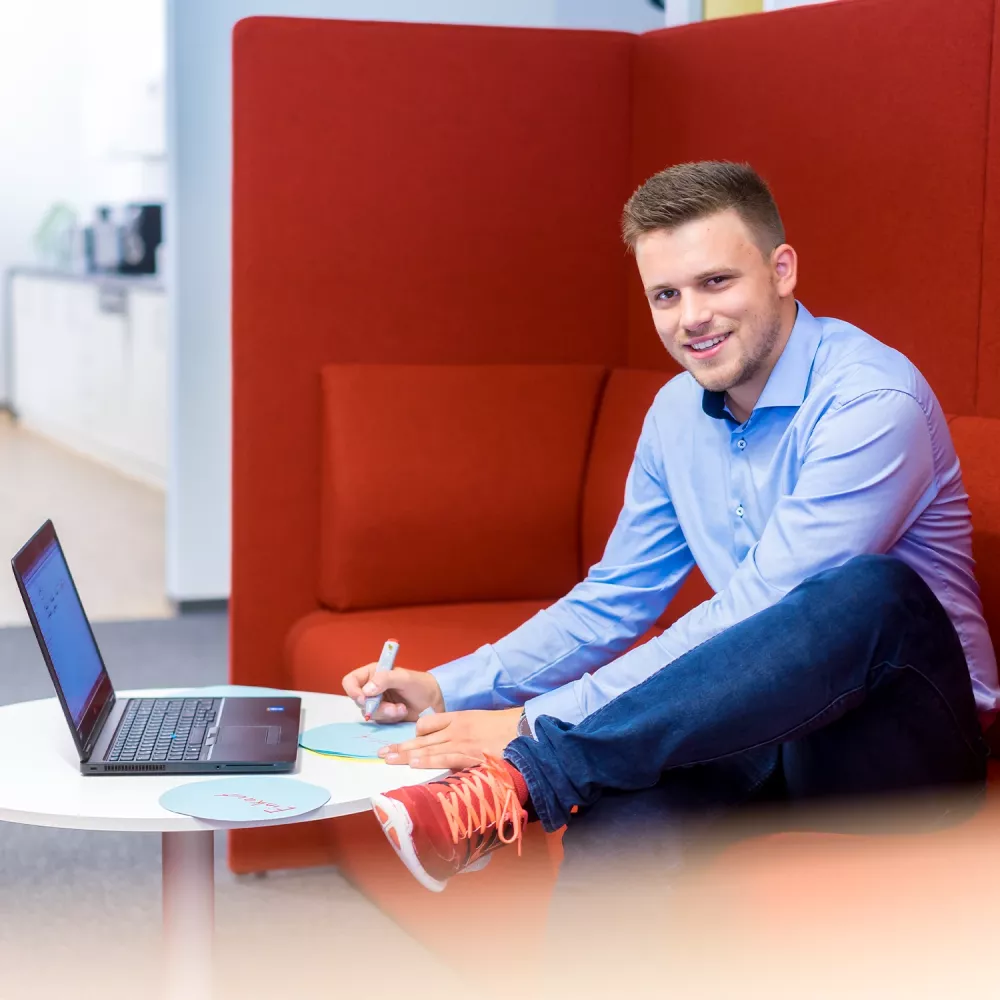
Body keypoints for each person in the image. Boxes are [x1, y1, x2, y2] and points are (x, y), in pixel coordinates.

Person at [342, 160, 998, 894]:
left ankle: (528, 776)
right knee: (620, 828)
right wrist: (449, 687)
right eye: (666, 294)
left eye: (717, 282)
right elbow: (614, 597)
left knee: (867, 590)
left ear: (782, 270)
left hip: (900, 740)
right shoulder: (674, 415)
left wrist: (531, 721)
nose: (692, 317)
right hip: (755, 717)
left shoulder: (871, 403)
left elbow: (765, 613)